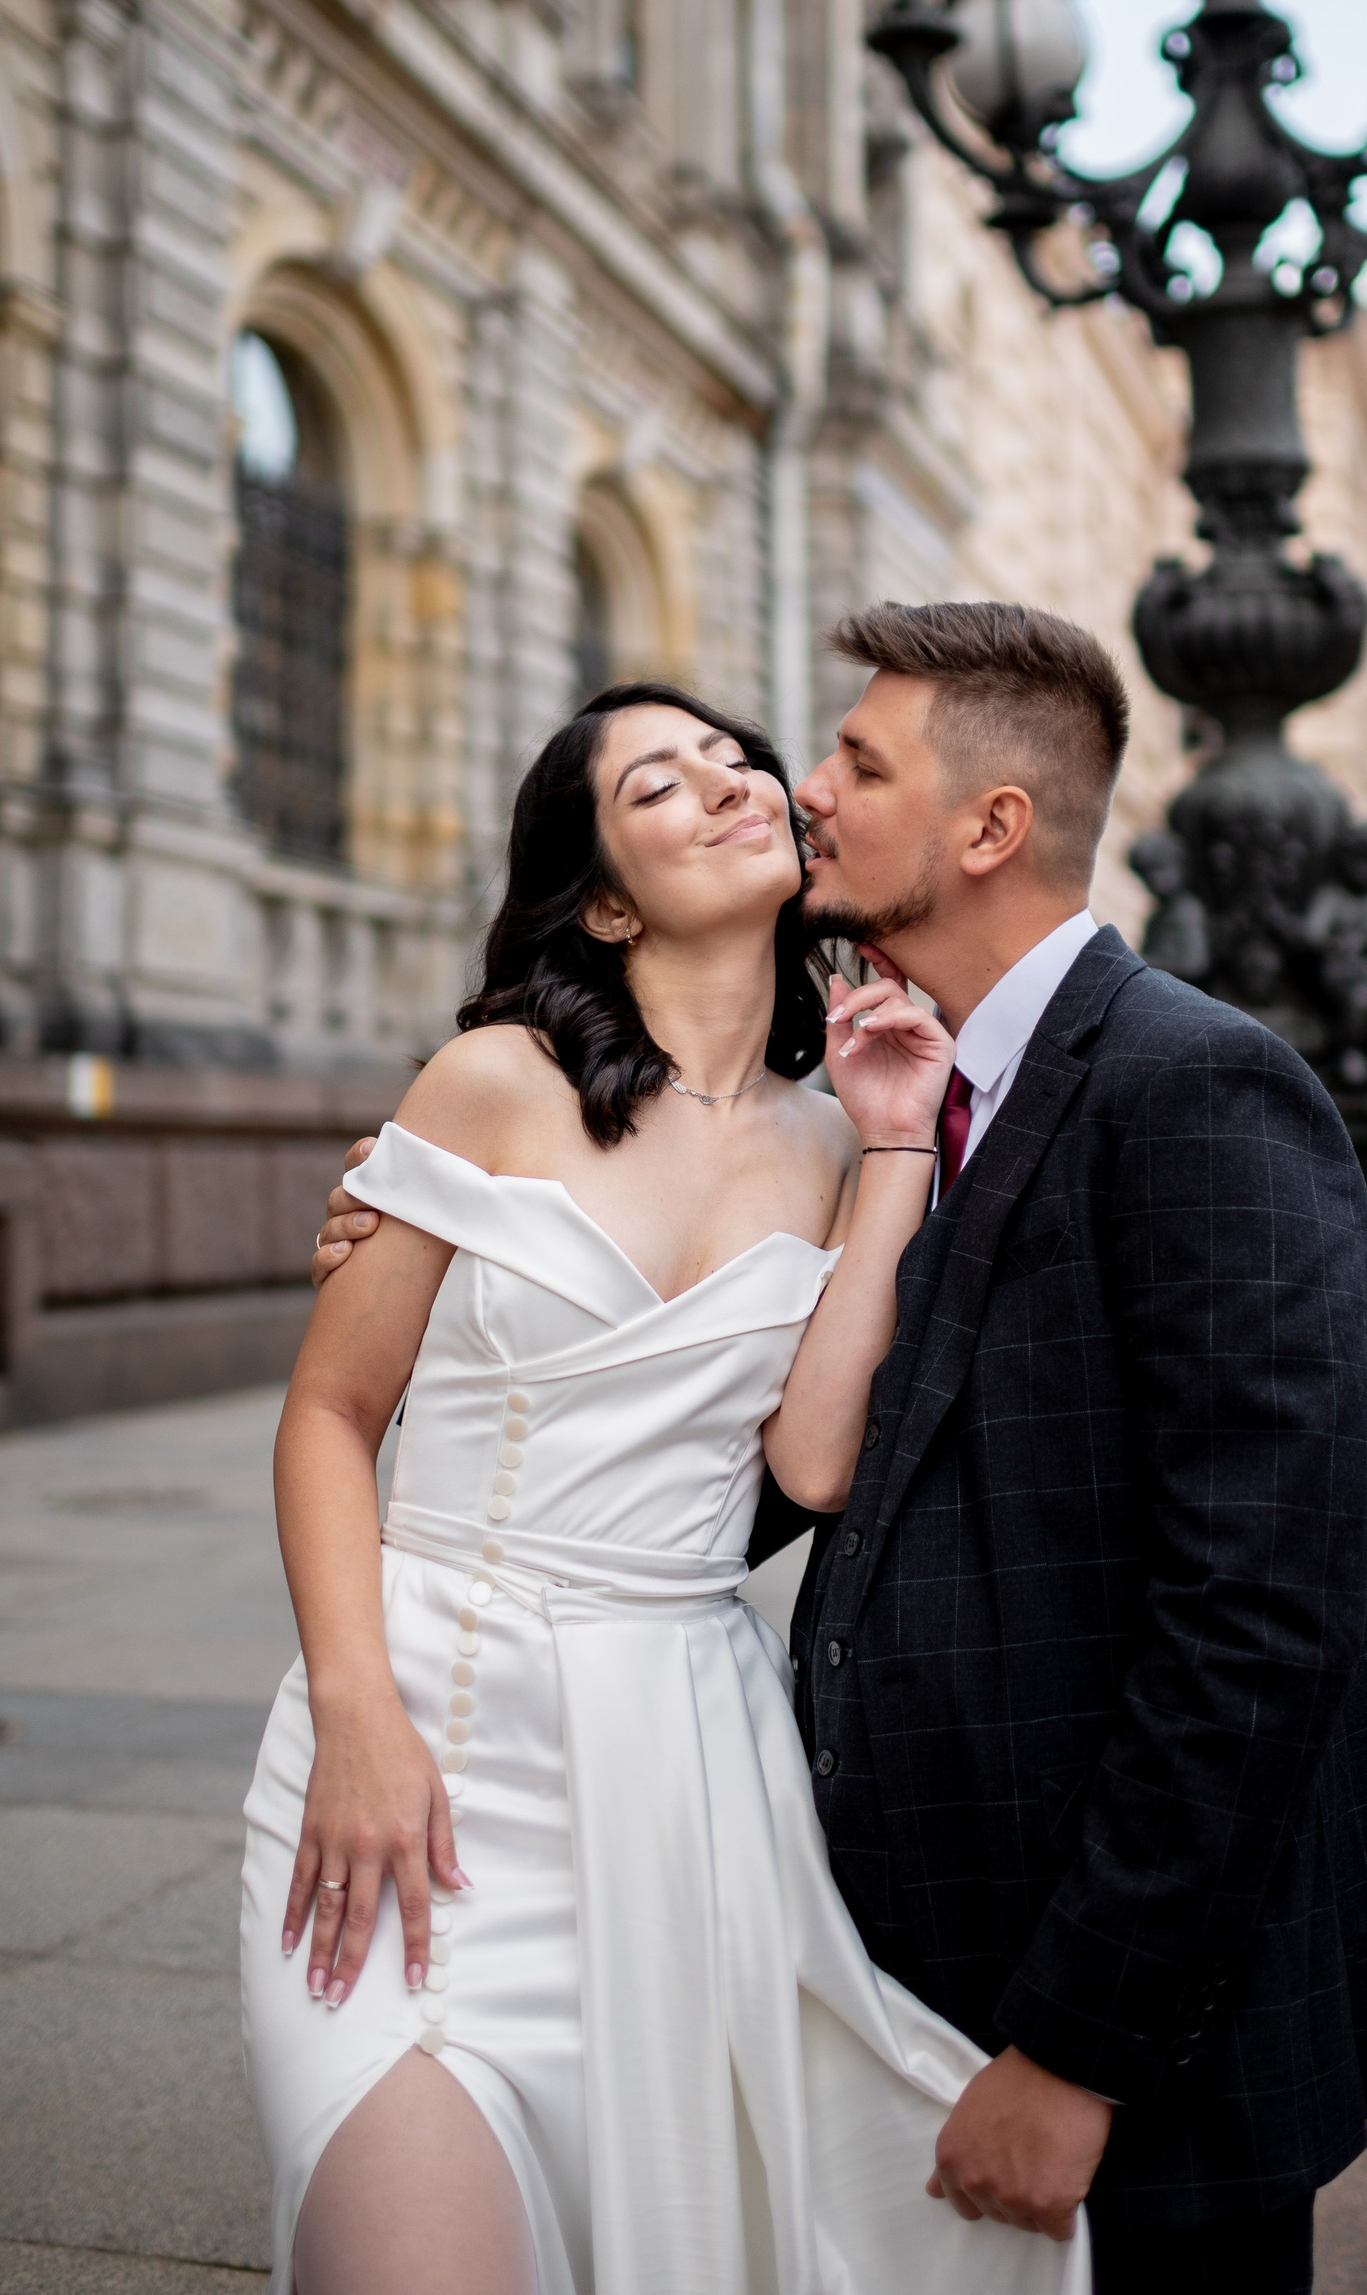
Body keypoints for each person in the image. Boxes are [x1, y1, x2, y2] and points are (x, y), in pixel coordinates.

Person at [314, 600, 1367, 2294]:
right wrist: (449, 1237)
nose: (803, 786)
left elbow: (1259, 1616)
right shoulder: (897, 1105)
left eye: (856, 760)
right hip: (896, 1944)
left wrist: (1080, 2048)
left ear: (988, 826)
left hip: (1150, 2029)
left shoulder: (1202, 1088)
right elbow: (756, 1455)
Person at [244, 677, 1087, 2295]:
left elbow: (812, 1460)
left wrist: (896, 1149)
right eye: (657, 784)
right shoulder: (489, 1083)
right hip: (430, 1725)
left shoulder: (837, 1144)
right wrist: (356, 1712)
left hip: (686, 1762)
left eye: (733, 759)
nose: (729, 782)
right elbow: (331, 1414)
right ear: (608, 900)